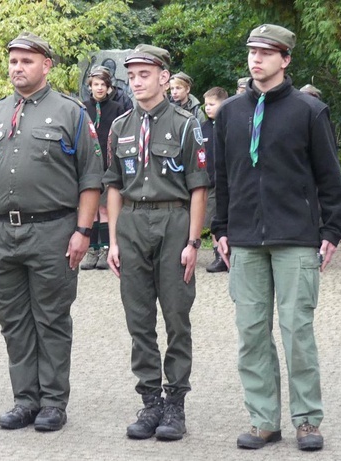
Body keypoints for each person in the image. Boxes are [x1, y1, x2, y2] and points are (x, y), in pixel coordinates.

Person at [211, 24, 341, 452]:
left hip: (296, 238)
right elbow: (222, 178)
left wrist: (331, 230)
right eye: (252, 51)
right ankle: (263, 420)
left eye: (267, 53)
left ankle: (307, 419)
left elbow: (330, 178)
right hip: (246, 239)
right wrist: (221, 228)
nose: (257, 59)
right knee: (251, 333)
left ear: (285, 59)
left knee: (297, 332)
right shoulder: (230, 112)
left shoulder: (309, 111)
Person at [0, 31, 103, 432]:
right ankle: (25, 399)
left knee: (52, 318)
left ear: (47, 65)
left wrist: (83, 231)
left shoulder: (71, 112)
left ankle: (53, 402)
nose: (18, 68)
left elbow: (90, 179)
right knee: (12, 320)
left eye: (27, 61)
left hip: (53, 231)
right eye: (13, 61)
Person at [104, 44, 209, 441]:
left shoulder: (185, 124)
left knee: (177, 317)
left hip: (173, 219)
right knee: (138, 318)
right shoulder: (120, 126)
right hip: (131, 221)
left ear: (164, 77)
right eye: (131, 76)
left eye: (144, 74)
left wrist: (193, 241)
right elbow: (112, 185)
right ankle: (150, 401)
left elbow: (199, 188)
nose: (136, 82)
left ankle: (175, 404)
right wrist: (113, 240)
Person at [80, 66, 127, 270]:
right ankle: (92, 249)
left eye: (103, 85)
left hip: (109, 163)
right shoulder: (83, 108)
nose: (99, 88)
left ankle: (108, 247)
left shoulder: (117, 108)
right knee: (91, 210)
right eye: (95, 84)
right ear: (90, 87)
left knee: (106, 209)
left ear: (109, 88)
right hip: (89, 164)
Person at [201, 86, 229, 273]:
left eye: (212, 104)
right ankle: (218, 254)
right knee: (214, 218)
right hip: (210, 182)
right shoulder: (201, 128)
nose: (208, 108)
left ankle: (231, 252)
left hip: (229, 181)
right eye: (206, 105)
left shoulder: (230, 123)